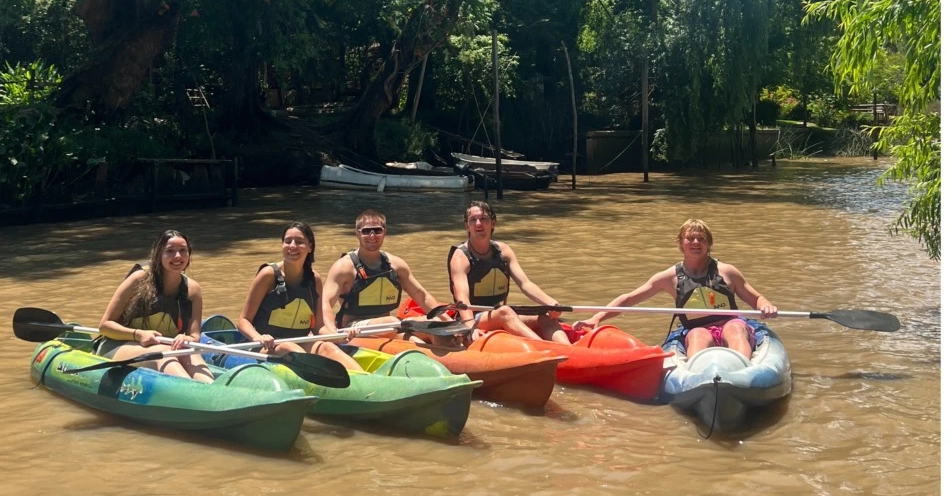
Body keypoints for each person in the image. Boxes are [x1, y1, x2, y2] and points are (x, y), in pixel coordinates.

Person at [574, 218, 777, 358]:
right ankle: (699, 377)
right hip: (696, 329)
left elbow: (756, 299)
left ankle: (741, 369)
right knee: (698, 335)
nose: (696, 242)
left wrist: (766, 305)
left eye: (701, 239)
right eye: (690, 238)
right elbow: (628, 299)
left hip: (729, 324)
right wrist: (596, 318)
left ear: (709, 244)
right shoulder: (669, 277)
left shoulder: (727, 272)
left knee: (735, 328)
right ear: (681, 243)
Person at [236, 222, 362, 372]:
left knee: (327, 347)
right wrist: (258, 337)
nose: (292, 246)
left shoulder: (314, 279)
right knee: (288, 347)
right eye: (288, 241)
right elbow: (243, 321)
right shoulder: (268, 275)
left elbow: (318, 326)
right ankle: (319, 375)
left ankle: (366, 380)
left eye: (299, 242)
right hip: (265, 347)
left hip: (300, 342)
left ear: (310, 247)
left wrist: (338, 337)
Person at [97, 230, 213, 382]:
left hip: (166, 346)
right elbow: (104, 326)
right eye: (170, 251)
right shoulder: (138, 279)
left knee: (188, 350)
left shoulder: (193, 289)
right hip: (119, 345)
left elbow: (195, 335)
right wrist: (139, 334)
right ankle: (194, 393)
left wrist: (186, 338)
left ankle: (211, 389)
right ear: (159, 255)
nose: (177, 256)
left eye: (183, 250)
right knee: (162, 353)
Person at [448, 201, 569, 343]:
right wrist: (469, 325)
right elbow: (462, 296)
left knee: (545, 317)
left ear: (493, 223)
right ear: (467, 226)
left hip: (499, 314)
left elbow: (525, 284)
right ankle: (547, 349)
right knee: (505, 311)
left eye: (484, 219)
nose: (478, 224)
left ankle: (569, 352)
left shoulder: (504, 251)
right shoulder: (460, 257)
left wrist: (551, 303)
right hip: (473, 318)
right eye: (473, 220)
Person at [320, 209, 447, 342]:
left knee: (437, 325)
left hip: (390, 326)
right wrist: (333, 333)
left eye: (377, 230)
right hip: (354, 328)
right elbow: (325, 303)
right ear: (357, 234)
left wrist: (447, 320)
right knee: (394, 324)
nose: (372, 236)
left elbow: (422, 296)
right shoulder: (343, 267)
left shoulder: (397, 265)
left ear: (384, 232)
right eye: (366, 231)